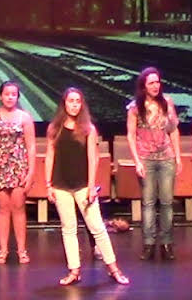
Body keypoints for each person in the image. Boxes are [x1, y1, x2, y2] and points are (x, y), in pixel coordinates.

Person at [45, 87, 129, 285]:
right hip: (60, 185)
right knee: (68, 229)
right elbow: (50, 156)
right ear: (64, 103)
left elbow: (94, 159)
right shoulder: (54, 128)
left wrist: (91, 187)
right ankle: (74, 271)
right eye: (71, 101)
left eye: (78, 101)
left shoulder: (88, 129)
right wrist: (48, 184)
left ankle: (113, 269)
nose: (74, 104)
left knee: (97, 228)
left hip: (83, 185)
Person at [127, 67, 181, 260]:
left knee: (166, 203)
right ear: (144, 85)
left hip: (166, 157)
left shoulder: (167, 102)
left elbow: (173, 130)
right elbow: (131, 135)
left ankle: (167, 243)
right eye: (151, 83)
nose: (155, 86)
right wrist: (137, 161)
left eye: (157, 82)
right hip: (146, 159)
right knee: (149, 203)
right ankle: (149, 243)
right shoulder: (135, 107)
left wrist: (178, 156)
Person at [0, 81, 35, 264]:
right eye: (6, 94)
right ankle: (3, 250)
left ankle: (22, 250)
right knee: (2, 209)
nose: (10, 97)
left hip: (19, 167)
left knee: (19, 208)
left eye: (13, 94)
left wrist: (30, 172)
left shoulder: (25, 117)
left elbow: (31, 146)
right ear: (0, 96)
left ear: (17, 97)